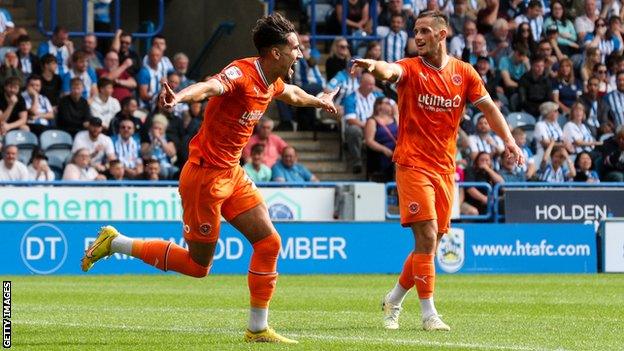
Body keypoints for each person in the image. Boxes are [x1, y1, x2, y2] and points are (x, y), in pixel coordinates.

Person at [81, 13, 337, 344]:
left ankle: (258, 328)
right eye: (294, 48)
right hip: (205, 177)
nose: (299, 54)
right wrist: (180, 97)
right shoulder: (242, 73)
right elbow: (211, 86)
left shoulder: (271, 81)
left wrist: (319, 100)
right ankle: (115, 242)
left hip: (232, 171)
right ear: (275, 52)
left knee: (269, 242)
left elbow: (292, 94)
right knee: (199, 266)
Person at [351, 10, 523, 332]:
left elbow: (489, 108)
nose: (418, 36)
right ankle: (429, 314)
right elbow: (390, 71)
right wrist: (374, 66)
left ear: (442, 35)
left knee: (428, 245)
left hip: (445, 168)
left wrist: (509, 141)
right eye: (416, 31)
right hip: (412, 163)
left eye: (425, 31)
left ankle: (394, 299)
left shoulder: (464, 73)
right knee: (428, 235)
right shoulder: (410, 68)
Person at [364, 97, 398, 182]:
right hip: (381, 152)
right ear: (379, 106)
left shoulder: (396, 119)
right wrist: (384, 150)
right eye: (387, 103)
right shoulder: (372, 121)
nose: (390, 105)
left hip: (396, 151)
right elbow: (369, 141)